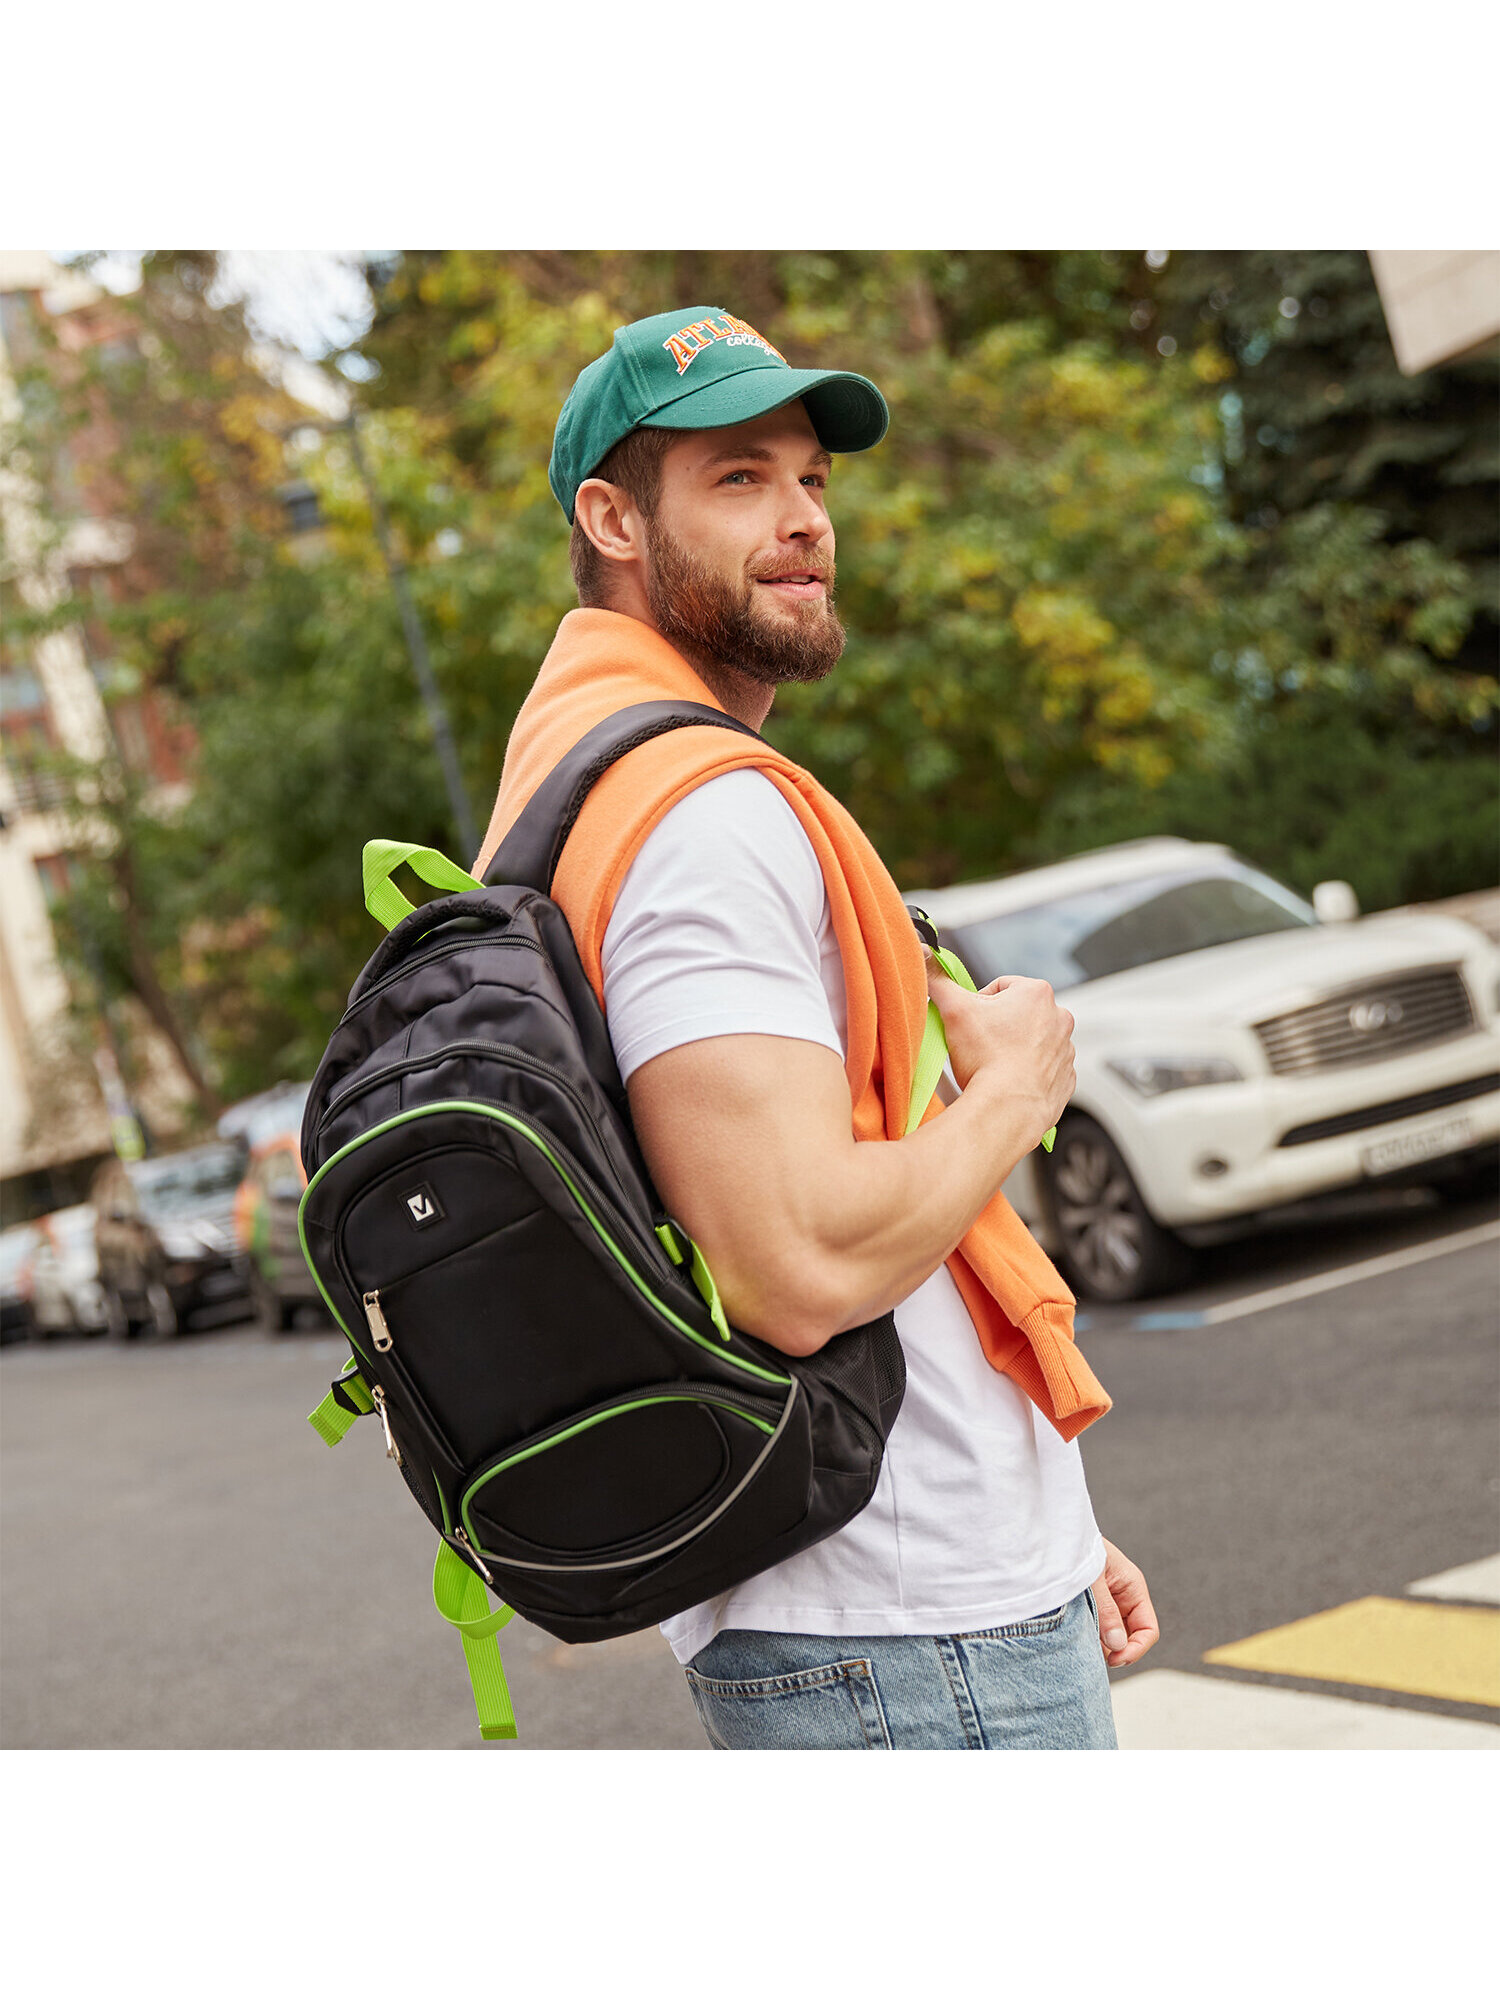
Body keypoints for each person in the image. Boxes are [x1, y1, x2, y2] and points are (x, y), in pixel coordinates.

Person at [476, 306, 1159, 1749]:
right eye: (737, 478)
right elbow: (791, 1262)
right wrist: (1017, 1090)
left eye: (812, 479)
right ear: (611, 517)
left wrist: (1043, 1529)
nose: (800, 520)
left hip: (904, 1603)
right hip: (908, 1632)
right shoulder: (698, 819)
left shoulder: (584, 783)